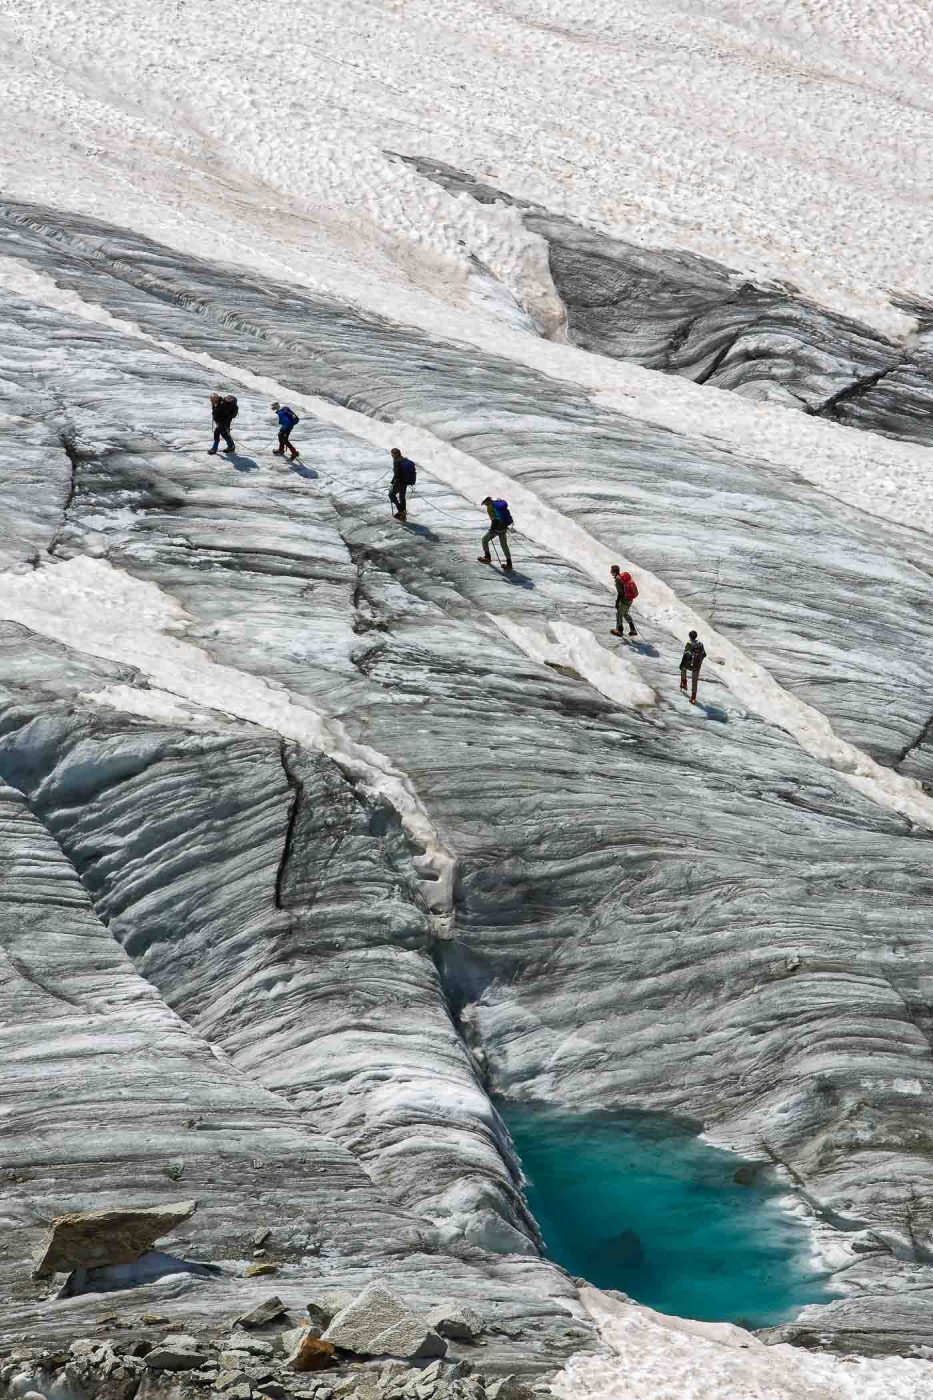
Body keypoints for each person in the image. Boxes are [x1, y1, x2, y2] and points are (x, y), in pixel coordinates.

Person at [478, 497, 513, 570]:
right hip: (504, 527)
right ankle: (509, 563)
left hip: (497, 528)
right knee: (504, 545)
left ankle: (487, 557)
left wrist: (492, 529)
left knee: (484, 540)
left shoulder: (490, 507)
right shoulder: (497, 504)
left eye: (484, 503)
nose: (485, 505)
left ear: (487, 502)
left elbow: (494, 520)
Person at [609, 564, 639, 637]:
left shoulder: (618, 579)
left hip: (625, 599)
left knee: (619, 613)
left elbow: (621, 593)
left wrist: (617, 602)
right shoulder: (622, 578)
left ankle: (619, 630)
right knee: (625, 613)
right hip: (629, 599)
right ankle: (633, 630)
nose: (610, 572)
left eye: (611, 571)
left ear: (614, 572)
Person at [389, 447, 417, 520]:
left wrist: (393, 483)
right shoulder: (405, 460)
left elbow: (397, 474)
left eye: (392, 455)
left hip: (399, 482)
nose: (392, 456)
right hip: (405, 482)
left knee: (391, 494)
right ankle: (403, 514)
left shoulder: (396, 461)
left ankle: (401, 511)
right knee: (402, 497)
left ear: (395, 454)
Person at [680, 630, 707, 704]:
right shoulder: (700, 644)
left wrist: (683, 663)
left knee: (683, 669)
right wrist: (699, 662)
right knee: (695, 681)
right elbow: (704, 654)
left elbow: (685, 654)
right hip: (697, 665)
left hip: (689, 664)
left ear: (690, 636)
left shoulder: (689, 644)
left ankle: (684, 683)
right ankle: (693, 698)